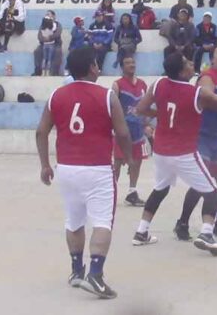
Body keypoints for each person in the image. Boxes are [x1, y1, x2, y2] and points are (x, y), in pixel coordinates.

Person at [36, 47, 134, 299]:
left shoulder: (57, 95)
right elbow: (123, 133)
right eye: (96, 64)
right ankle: (96, 274)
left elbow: (41, 131)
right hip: (97, 168)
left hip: (67, 168)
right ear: (92, 67)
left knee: (74, 221)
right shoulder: (107, 96)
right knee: (102, 222)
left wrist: (45, 164)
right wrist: (128, 157)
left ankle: (76, 270)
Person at [131, 52, 217, 256]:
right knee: (212, 191)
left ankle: (141, 231)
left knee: (160, 189)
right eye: (187, 63)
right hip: (184, 152)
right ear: (181, 71)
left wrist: (159, 113)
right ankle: (206, 233)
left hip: (161, 150)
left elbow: (141, 108)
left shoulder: (159, 84)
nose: (191, 63)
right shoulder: (195, 93)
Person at [176, 46, 217, 240]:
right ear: (211, 60)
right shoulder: (207, 77)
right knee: (202, 183)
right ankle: (183, 222)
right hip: (202, 136)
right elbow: (207, 97)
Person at [112, 56, 150, 207]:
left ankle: (132, 192)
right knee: (118, 161)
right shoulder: (117, 85)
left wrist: (146, 123)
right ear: (122, 67)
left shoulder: (142, 84)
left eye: (133, 62)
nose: (131, 65)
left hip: (138, 129)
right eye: (127, 63)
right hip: (123, 130)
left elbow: (146, 105)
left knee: (137, 161)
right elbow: (112, 106)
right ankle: (111, 192)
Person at [34, 11, 63, 76]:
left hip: (55, 44)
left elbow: (58, 34)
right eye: (46, 14)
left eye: (48, 14)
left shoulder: (58, 25)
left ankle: (54, 72)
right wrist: (44, 39)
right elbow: (39, 36)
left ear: (54, 16)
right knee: (37, 51)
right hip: (44, 44)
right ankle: (38, 72)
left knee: (58, 52)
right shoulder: (43, 25)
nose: (47, 15)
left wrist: (49, 37)